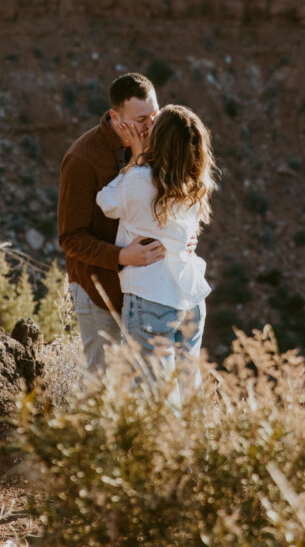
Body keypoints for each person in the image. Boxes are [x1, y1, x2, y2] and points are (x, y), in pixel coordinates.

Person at [96, 104, 217, 392]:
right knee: (188, 393)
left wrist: (137, 156)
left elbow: (105, 201)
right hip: (190, 298)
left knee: (151, 395)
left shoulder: (138, 179)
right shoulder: (192, 182)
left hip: (151, 297)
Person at [58, 72, 166, 374]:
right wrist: (120, 256)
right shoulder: (82, 159)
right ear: (115, 117)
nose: (152, 126)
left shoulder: (156, 146)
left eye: (156, 115)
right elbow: (70, 237)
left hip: (147, 292)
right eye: (142, 119)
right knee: (103, 385)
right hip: (99, 290)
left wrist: (182, 237)